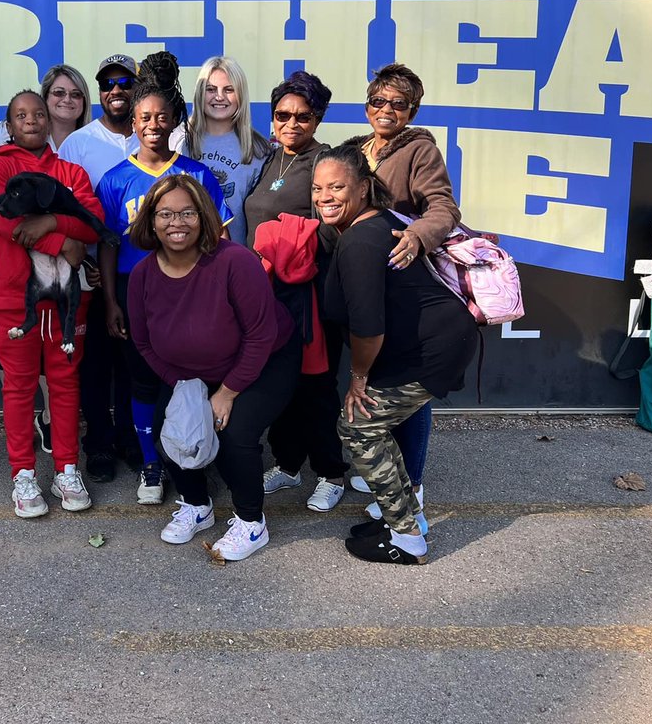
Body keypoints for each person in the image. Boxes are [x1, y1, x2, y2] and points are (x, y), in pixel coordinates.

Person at [313, 146, 477, 564]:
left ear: (364, 188)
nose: (324, 196)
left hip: (429, 351)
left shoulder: (361, 241)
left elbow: (369, 327)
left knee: (357, 426)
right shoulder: (372, 225)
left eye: (336, 187)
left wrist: (358, 378)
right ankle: (407, 517)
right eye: (317, 188)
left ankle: (406, 538)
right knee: (370, 426)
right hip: (426, 345)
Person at [127, 175, 299, 560]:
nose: (177, 222)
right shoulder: (141, 275)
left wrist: (227, 392)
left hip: (264, 361)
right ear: (150, 220)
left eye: (188, 212)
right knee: (172, 428)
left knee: (234, 433)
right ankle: (197, 505)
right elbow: (142, 342)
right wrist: (185, 387)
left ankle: (252, 523)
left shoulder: (235, 261)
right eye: (166, 213)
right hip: (189, 372)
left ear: (204, 216)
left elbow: (260, 335)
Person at [96, 51, 232, 506]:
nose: (153, 124)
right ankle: (152, 465)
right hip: (138, 302)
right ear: (132, 122)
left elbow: (218, 237)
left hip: (189, 301)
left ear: (175, 120)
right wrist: (112, 303)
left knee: (192, 382)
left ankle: (196, 458)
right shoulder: (116, 180)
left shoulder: (195, 174)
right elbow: (108, 245)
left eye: (161, 116)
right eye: (144, 117)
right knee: (143, 384)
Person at [339, 64, 462, 522]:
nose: (386, 110)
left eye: (398, 104)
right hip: (360, 280)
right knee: (373, 381)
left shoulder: (419, 151)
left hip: (399, 283)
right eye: (378, 101)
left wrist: (419, 236)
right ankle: (385, 468)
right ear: (367, 104)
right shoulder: (355, 151)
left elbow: (444, 206)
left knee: (406, 387)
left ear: (412, 110)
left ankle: (413, 485)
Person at [0, 91, 102, 518]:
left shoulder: (70, 170)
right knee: (19, 387)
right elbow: (4, 222)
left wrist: (52, 222)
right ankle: (23, 473)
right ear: (9, 125)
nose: (31, 120)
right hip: (16, 297)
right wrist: (62, 241)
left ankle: (66, 467)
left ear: (50, 123)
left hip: (67, 300)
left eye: (38, 114)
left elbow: (92, 222)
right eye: (20, 115)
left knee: (67, 384)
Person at [241, 70, 351, 513]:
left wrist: (270, 239)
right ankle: (287, 465)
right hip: (267, 294)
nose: (292, 123)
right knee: (278, 385)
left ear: (318, 117)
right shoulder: (268, 158)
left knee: (316, 389)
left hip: (312, 296)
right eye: (283, 114)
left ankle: (331, 472)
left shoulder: (327, 162)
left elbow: (331, 226)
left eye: (303, 116)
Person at [57, 54, 143, 483]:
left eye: (125, 82)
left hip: (142, 273)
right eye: (107, 83)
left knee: (133, 363)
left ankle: (131, 440)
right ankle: (100, 446)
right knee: (93, 367)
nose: (115, 91)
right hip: (89, 272)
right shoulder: (78, 143)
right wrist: (84, 259)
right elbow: (67, 208)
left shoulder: (156, 135)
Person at [185, 56, 272, 246]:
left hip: (234, 258)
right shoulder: (180, 140)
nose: (219, 97)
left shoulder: (259, 149)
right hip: (184, 259)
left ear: (241, 95)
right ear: (200, 93)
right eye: (210, 89)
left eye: (229, 90)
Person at [0, 63, 92, 154]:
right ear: (45, 97)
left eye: (76, 94)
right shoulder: (6, 133)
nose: (67, 99)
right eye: (59, 92)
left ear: (84, 100)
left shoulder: (91, 141)